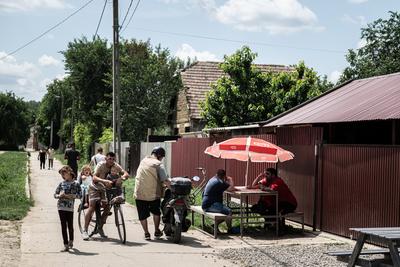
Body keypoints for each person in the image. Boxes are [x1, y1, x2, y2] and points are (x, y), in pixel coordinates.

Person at [81, 152, 129, 240]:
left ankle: (100, 227)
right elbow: (94, 177)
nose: (111, 161)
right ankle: (85, 230)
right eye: (110, 159)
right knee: (91, 207)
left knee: (107, 207)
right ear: (106, 159)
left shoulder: (116, 165)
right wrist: (104, 181)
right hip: (96, 187)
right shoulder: (100, 165)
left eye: (113, 159)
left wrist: (121, 178)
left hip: (106, 189)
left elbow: (126, 173)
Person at [134, 147, 170, 240]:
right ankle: (157, 231)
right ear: (159, 155)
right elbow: (165, 180)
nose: (162, 159)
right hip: (153, 194)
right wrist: (172, 188)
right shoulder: (158, 164)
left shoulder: (143, 160)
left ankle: (146, 233)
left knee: (142, 215)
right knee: (156, 212)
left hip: (139, 193)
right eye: (162, 157)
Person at [54, 166, 81, 252]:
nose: (63, 176)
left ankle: (71, 241)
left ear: (69, 172)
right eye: (62, 174)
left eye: (64, 173)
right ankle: (65, 244)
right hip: (61, 207)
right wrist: (59, 196)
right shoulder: (61, 183)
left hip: (70, 207)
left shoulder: (76, 183)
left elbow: (80, 195)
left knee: (70, 225)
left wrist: (72, 196)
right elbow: (55, 194)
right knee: (63, 226)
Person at [201, 169, 235, 233]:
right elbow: (231, 189)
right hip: (210, 205)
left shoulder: (213, 179)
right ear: (224, 176)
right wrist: (231, 179)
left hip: (206, 203)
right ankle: (230, 229)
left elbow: (227, 187)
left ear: (216, 174)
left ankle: (214, 226)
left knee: (225, 211)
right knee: (229, 212)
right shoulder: (219, 182)